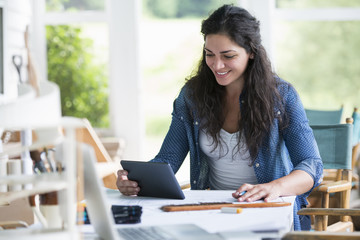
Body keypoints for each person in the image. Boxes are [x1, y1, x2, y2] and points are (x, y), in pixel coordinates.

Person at [116, 4, 323, 231]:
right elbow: (167, 159)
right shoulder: (192, 96)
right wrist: (136, 181)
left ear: (251, 52)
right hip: (213, 213)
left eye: (228, 56)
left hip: (267, 211)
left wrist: (275, 187)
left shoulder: (281, 96)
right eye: (209, 54)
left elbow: (311, 165)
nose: (217, 65)